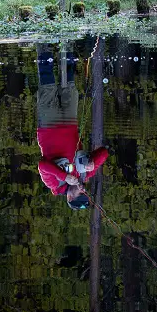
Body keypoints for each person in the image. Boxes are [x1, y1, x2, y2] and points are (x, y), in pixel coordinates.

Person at [36, 44, 109, 210]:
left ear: (69, 196)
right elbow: (104, 153)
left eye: (79, 195)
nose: (83, 191)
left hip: (49, 126)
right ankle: (66, 43)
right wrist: (92, 162)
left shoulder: (54, 184)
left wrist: (65, 176)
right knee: (70, 87)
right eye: (86, 194)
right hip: (70, 122)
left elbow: (42, 166)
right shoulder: (85, 173)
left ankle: (43, 43)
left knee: (48, 86)